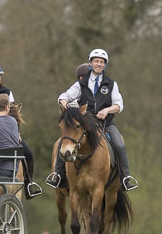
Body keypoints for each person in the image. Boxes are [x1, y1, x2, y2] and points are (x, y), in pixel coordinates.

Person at [46, 48, 139, 191]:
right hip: (85, 123)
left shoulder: (111, 84)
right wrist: (64, 103)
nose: (99, 64)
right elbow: (64, 95)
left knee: (119, 144)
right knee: (63, 142)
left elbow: (119, 105)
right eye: (96, 61)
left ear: (105, 65)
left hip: (105, 123)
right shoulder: (80, 84)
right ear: (90, 63)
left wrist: (107, 110)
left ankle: (126, 177)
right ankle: (57, 175)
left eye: (102, 62)